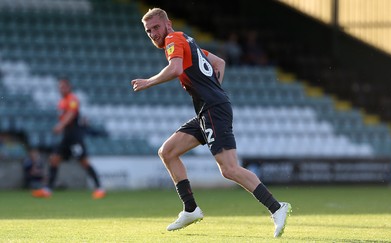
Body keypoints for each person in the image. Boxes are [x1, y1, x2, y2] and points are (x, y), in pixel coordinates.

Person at [131, 8, 291, 238]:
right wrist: (214, 89)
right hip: (209, 109)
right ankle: (190, 209)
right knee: (167, 152)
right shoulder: (188, 41)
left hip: (213, 109)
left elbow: (175, 69)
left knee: (229, 169)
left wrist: (148, 82)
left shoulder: (173, 39)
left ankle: (277, 208)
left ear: (168, 24)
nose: (153, 34)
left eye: (156, 27)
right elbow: (220, 63)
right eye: (148, 31)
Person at [32, 78, 106, 199]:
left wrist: (60, 125)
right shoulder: (61, 102)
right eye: (60, 87)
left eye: (63, 87)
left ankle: (99, 188)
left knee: (84, 162)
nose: (61, 89)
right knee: (54, 159)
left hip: (75, 137)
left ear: (69, 87)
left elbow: (71, 114)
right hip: (66, 137)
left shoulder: (72, 99)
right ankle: (47, 190)